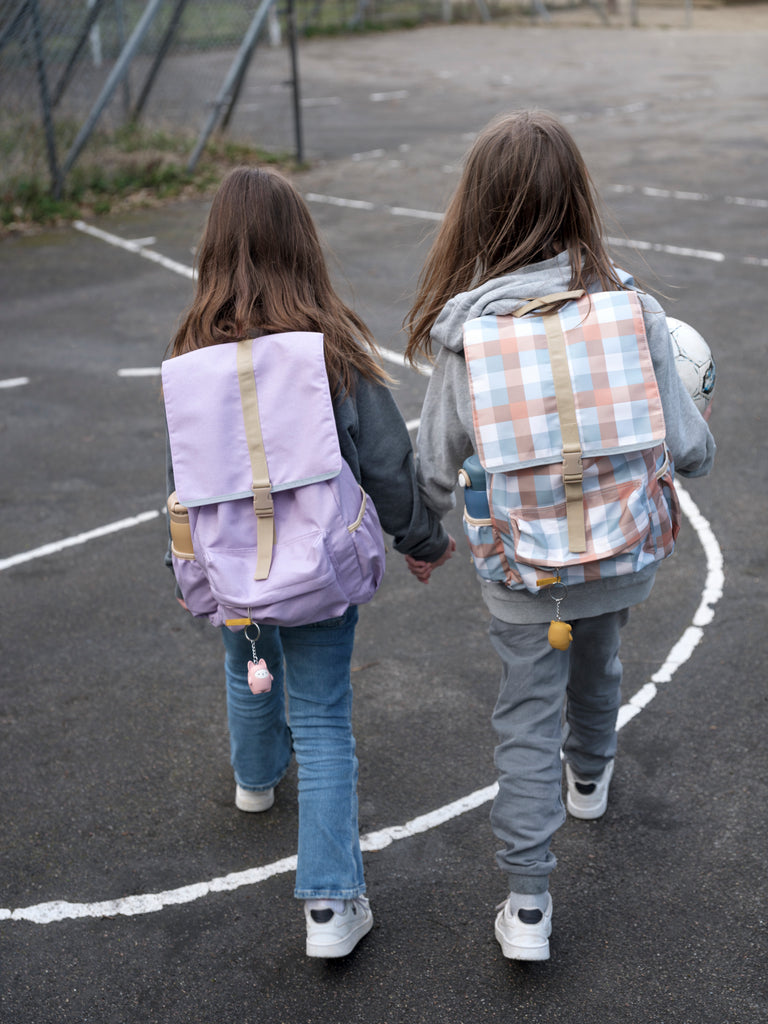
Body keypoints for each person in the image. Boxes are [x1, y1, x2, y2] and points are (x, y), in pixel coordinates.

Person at [403, 110, 715, 961]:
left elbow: (433, 463)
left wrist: (421, 537)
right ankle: (592, 773)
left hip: (518, 570)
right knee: (601, 657)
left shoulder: (469, 337)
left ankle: (529, 904)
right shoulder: (636, 310)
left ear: (477, 212)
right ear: (578, 200)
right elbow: (689, 450)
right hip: (620, 554)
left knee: (523, 715)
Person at [165, 166, 453, 958]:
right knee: (323, 720)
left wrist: (187, 564)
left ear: (212, 253)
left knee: (245, 662)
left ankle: (254, 780)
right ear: (304, 248)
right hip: (318, 568)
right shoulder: (332, 353)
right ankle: (330, 906)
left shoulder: (188, 359)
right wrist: (423, 541)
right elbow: (389, 464)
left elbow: (183, 482)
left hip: (233, 568)